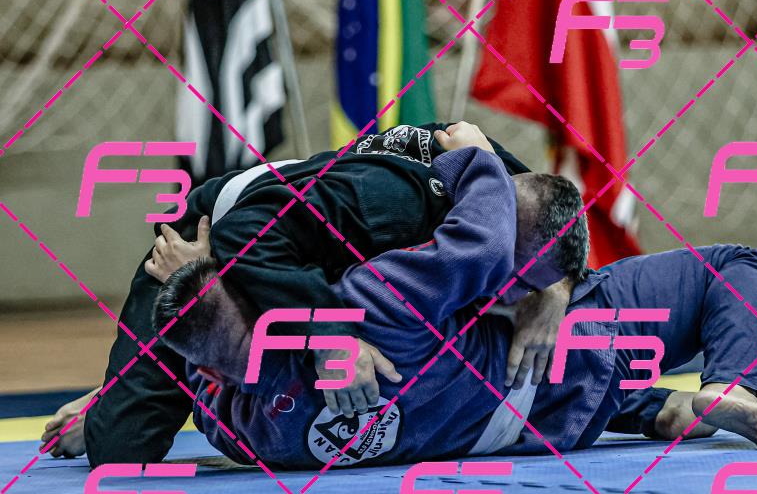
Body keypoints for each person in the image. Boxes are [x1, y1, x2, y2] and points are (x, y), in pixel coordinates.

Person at [152, 146, 757, 470]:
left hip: (547, 427)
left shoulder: (254, 437)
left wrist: (193, 279)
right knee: (736, 265)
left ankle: (669, 410)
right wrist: (477, 156)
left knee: (492, 374)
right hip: (582, 337)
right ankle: (739, 385)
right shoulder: (369, 305)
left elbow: (205, 369)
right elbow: (485, 234)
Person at [39, 123, 571, 465]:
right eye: (517, 282)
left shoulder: (489, 180)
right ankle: (115, 393)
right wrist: (326, 334)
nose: (509, 297)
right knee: (120, 450)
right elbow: (247, 234)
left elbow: (555, 216)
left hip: (300, 263)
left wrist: (554, 292)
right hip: (216, 239)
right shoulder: (392, 205)